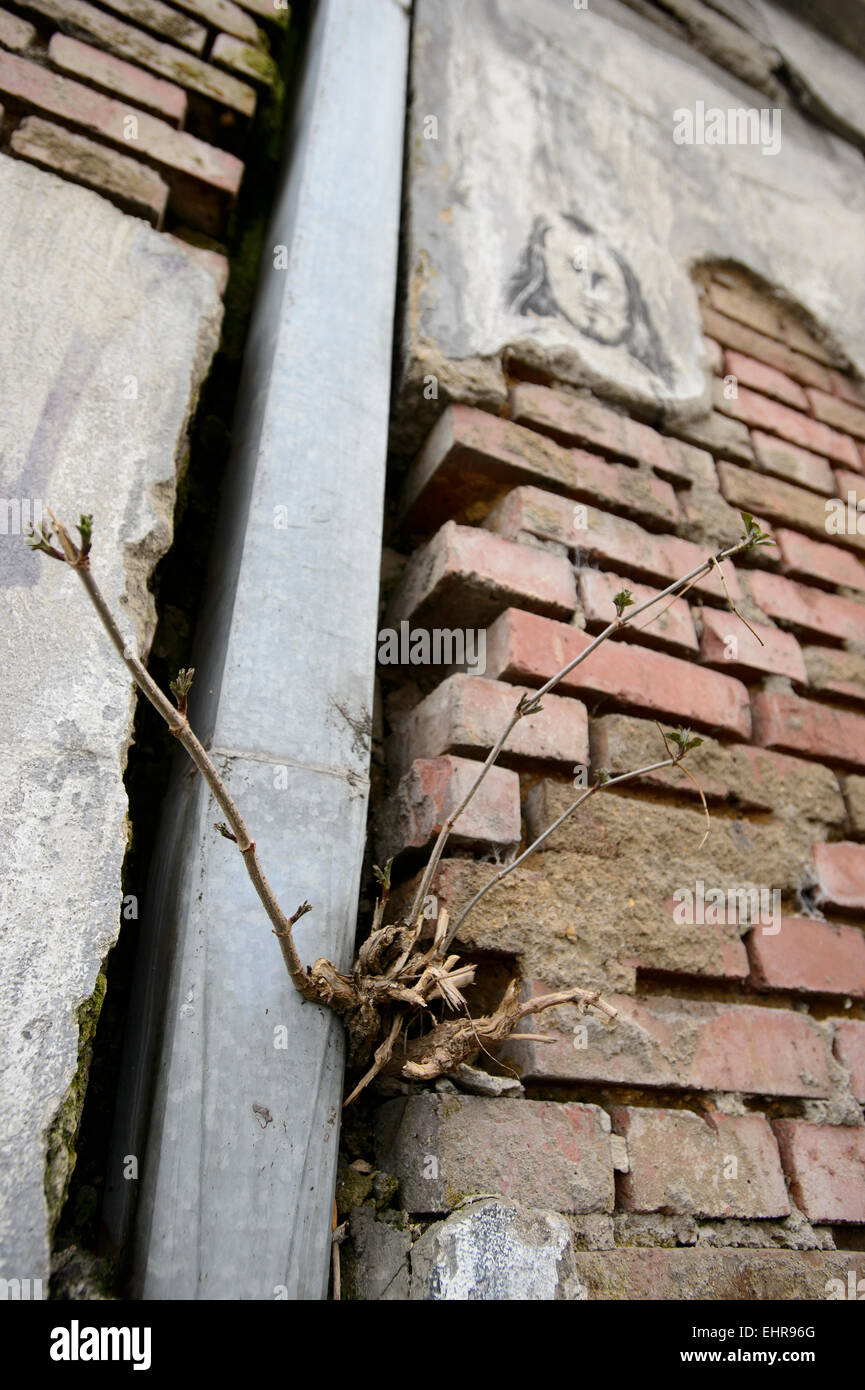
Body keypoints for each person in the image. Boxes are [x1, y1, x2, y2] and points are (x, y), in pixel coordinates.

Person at [507, 211, 675, 387]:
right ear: (543, 275)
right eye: (575, 270)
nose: (590, 292)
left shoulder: (650, 381)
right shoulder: (532, 340)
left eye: (601, 279)